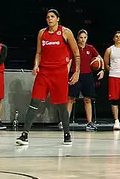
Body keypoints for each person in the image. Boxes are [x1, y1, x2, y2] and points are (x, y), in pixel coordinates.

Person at [15, 9, 80, 146]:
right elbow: (39, 52)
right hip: (44, 72)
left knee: (61, 105)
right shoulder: (42, 33)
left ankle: (67, 134)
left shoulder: (65, 32)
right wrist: (36, 65)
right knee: (34, 101)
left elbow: (76, 53)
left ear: (58, 19)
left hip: (60, 72)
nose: (49, 19)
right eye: (47, 17)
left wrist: (77, 72)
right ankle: (24, 134)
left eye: (52, 16)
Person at [67, 29, 103, 131]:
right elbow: (69, 61)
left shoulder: (90, 48)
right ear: (77, 38)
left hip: (87, 76)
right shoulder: (74, 48)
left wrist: (102, 70)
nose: (83, 39)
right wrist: (66, 74)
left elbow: (99, 58)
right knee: (71, 98)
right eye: (81, 37)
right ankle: (65, 121)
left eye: (85, 37)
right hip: (75, 74)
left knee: (88, 99)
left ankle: (89, 122)